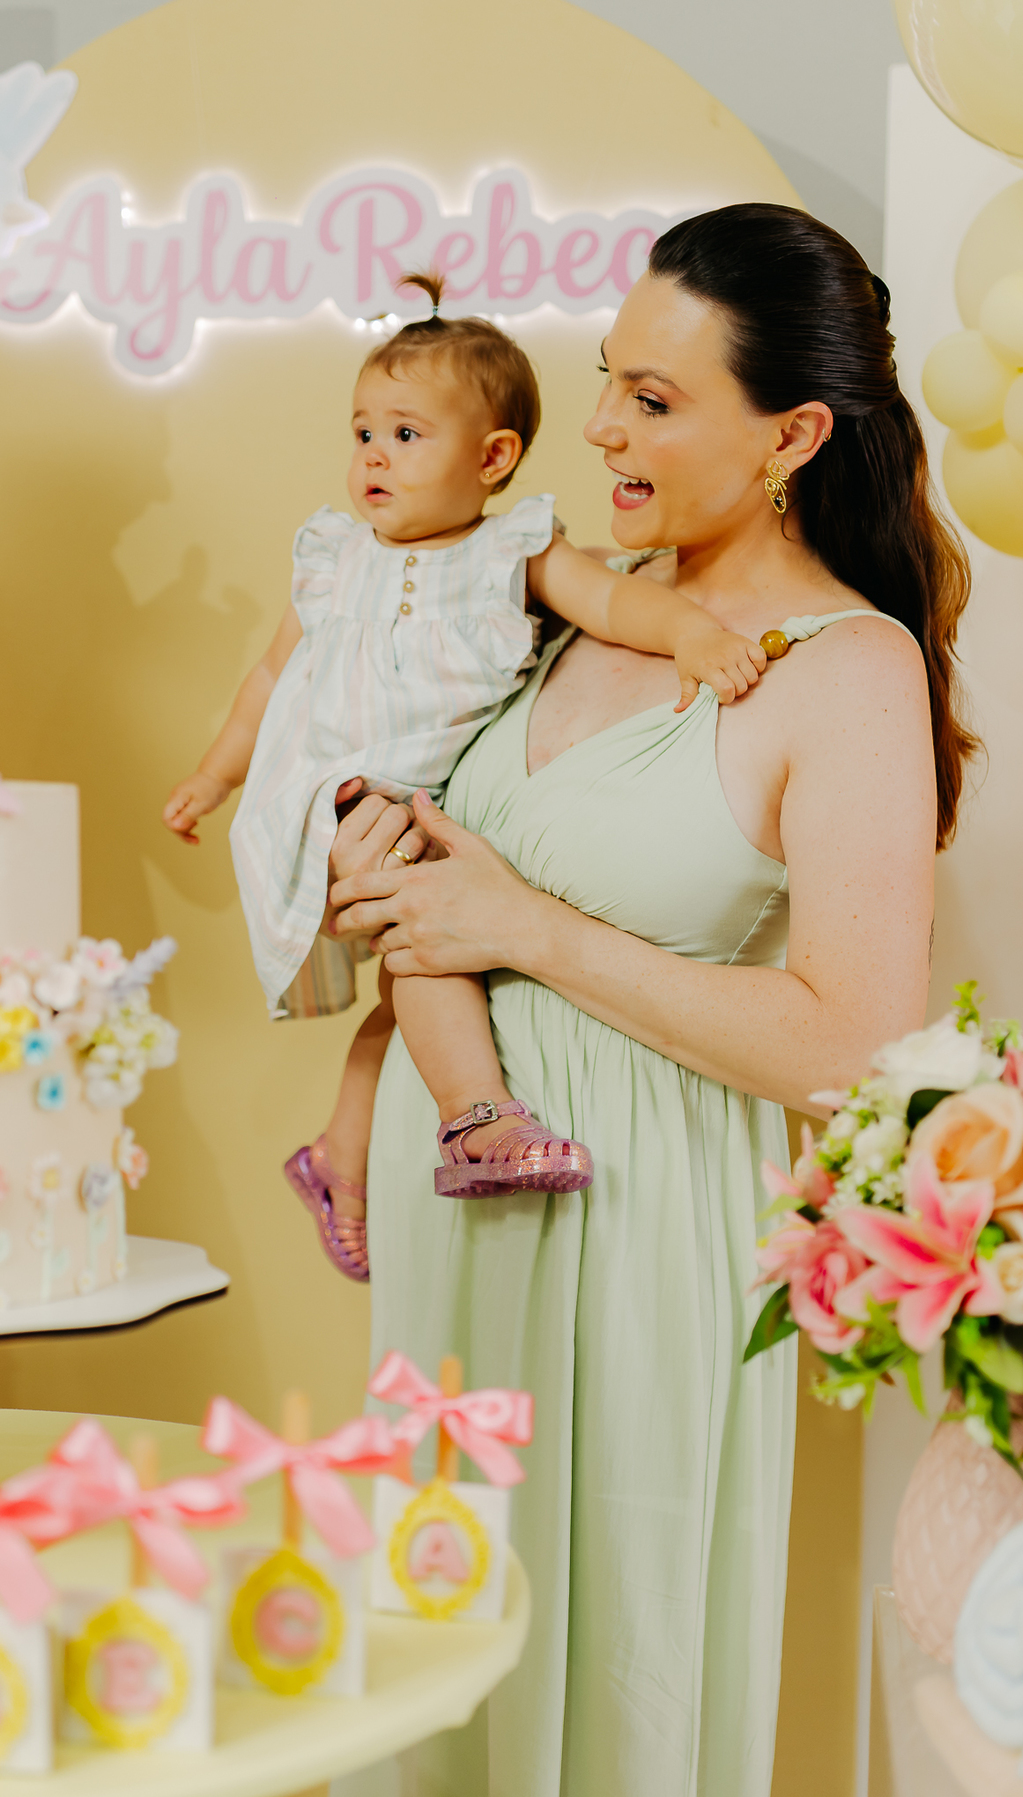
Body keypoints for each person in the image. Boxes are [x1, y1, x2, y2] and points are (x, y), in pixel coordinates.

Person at [325, 202, 977, 1797]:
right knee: (428, 1661)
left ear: (792, 436)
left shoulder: (845, 668)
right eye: (609, 380)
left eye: (657, 399)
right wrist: (359, 996)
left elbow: (858, 1047)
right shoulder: (558, 600)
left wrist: (527, 925)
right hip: (456, 1200)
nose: (603, 427)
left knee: (604, 1653)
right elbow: (433, 862)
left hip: (635, 1229)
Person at [160, 273, 768, 1282]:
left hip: (427, 802)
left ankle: (337, 1153)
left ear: (491, 458)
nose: (373, 456)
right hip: (342, 792)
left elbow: (617, 608)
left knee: (416, 985)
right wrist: (213, 774)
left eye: (405, 434)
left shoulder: (511, 553)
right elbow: (270, 678)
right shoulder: (335, 559)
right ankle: (476, 1121)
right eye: (363, 432)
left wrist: (695, 636)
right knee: (431, 948)